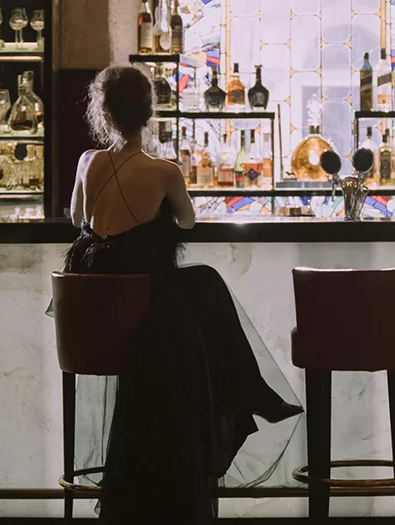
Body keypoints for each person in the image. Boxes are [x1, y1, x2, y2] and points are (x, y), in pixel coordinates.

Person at [61, 65, 302, 523]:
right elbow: (188, 221)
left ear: (104, 116)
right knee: (205, 287)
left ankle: (241, 396)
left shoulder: (87, 162)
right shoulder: (164, 170)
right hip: (143, 307)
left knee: (200, 292)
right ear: (149, 116)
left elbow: (76, 218)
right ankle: (240, 401)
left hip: (92, 307)